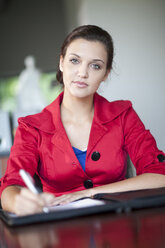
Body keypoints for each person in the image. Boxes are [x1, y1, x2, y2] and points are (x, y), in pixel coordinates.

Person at [1, 25, 165, 216]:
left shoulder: (123, 114)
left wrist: (90, 192)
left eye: (95, 65)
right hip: (58, 231)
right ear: (61, 63)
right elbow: (10, 187)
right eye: (74, 61)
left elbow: (160, 175)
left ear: (106, 74)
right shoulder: (31, 127)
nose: (82, 73)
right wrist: (17, 202)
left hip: (117, 224)